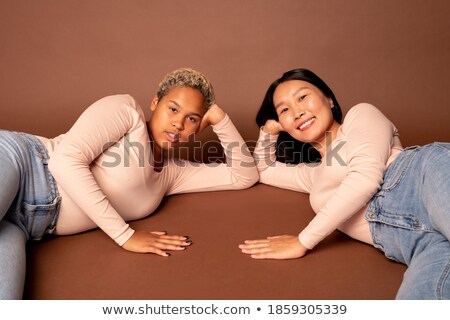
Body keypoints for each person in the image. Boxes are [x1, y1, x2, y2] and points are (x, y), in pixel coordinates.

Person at [0, 67, 258, 299]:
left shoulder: (173, 174)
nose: (179, 123)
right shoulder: (127, 112)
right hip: (23, 162)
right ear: (155, 102)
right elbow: (64, 162)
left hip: (24, 226)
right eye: (173, 109)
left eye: (192, 118)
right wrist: (125, 236)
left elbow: (243, 176)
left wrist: (219, 119)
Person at [239, 68, 450, 299]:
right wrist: (270, 129)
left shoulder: (361, 115)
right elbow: (264, 169)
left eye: (302, 98)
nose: (297, 112)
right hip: (415, 242)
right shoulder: (314, 176)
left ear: (329, 100)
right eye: (285, 110)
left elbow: (364, 178)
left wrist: (303, 241)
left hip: (426, 178)